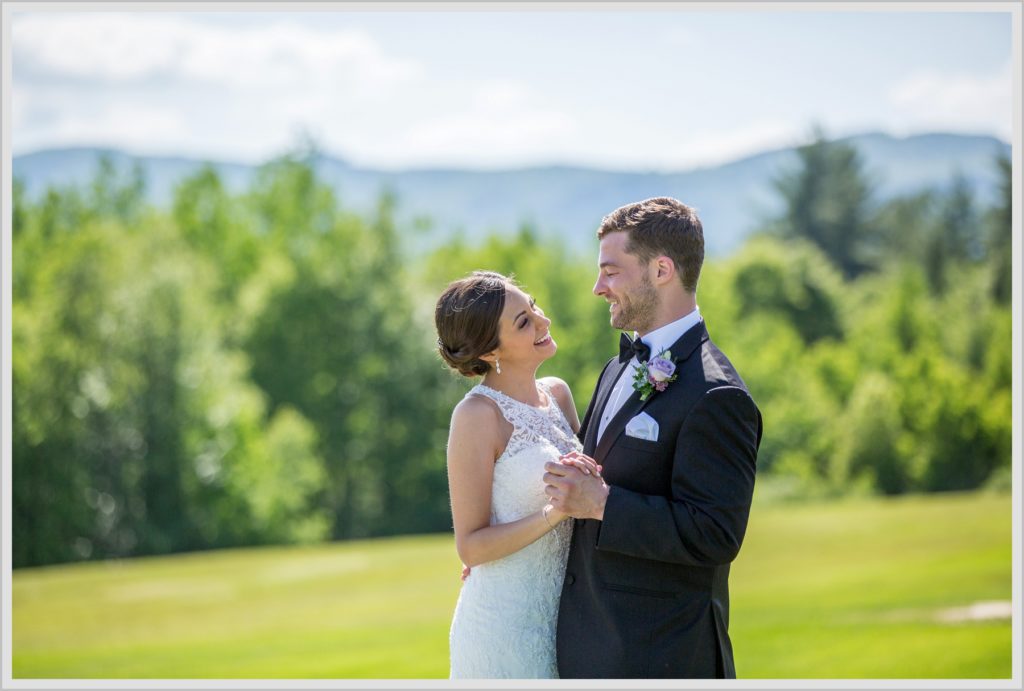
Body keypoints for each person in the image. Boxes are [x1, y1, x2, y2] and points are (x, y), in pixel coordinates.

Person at [543, 197, 763, 678]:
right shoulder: (617, 365)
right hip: (588, 649)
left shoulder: (716, 394)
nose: (598, 287)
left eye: (611, 271)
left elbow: (715, 534)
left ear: (661, 270)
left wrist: (604, 503)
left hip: (660, 656)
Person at [435, 270, 598, 679]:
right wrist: (555, 513)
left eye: (534, 306)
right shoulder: (476, 416)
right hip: (502, 626)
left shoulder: (558, 394)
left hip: (569, 620)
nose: (543, 321)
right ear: (490, 351)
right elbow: (470, 547)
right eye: (524, 322)